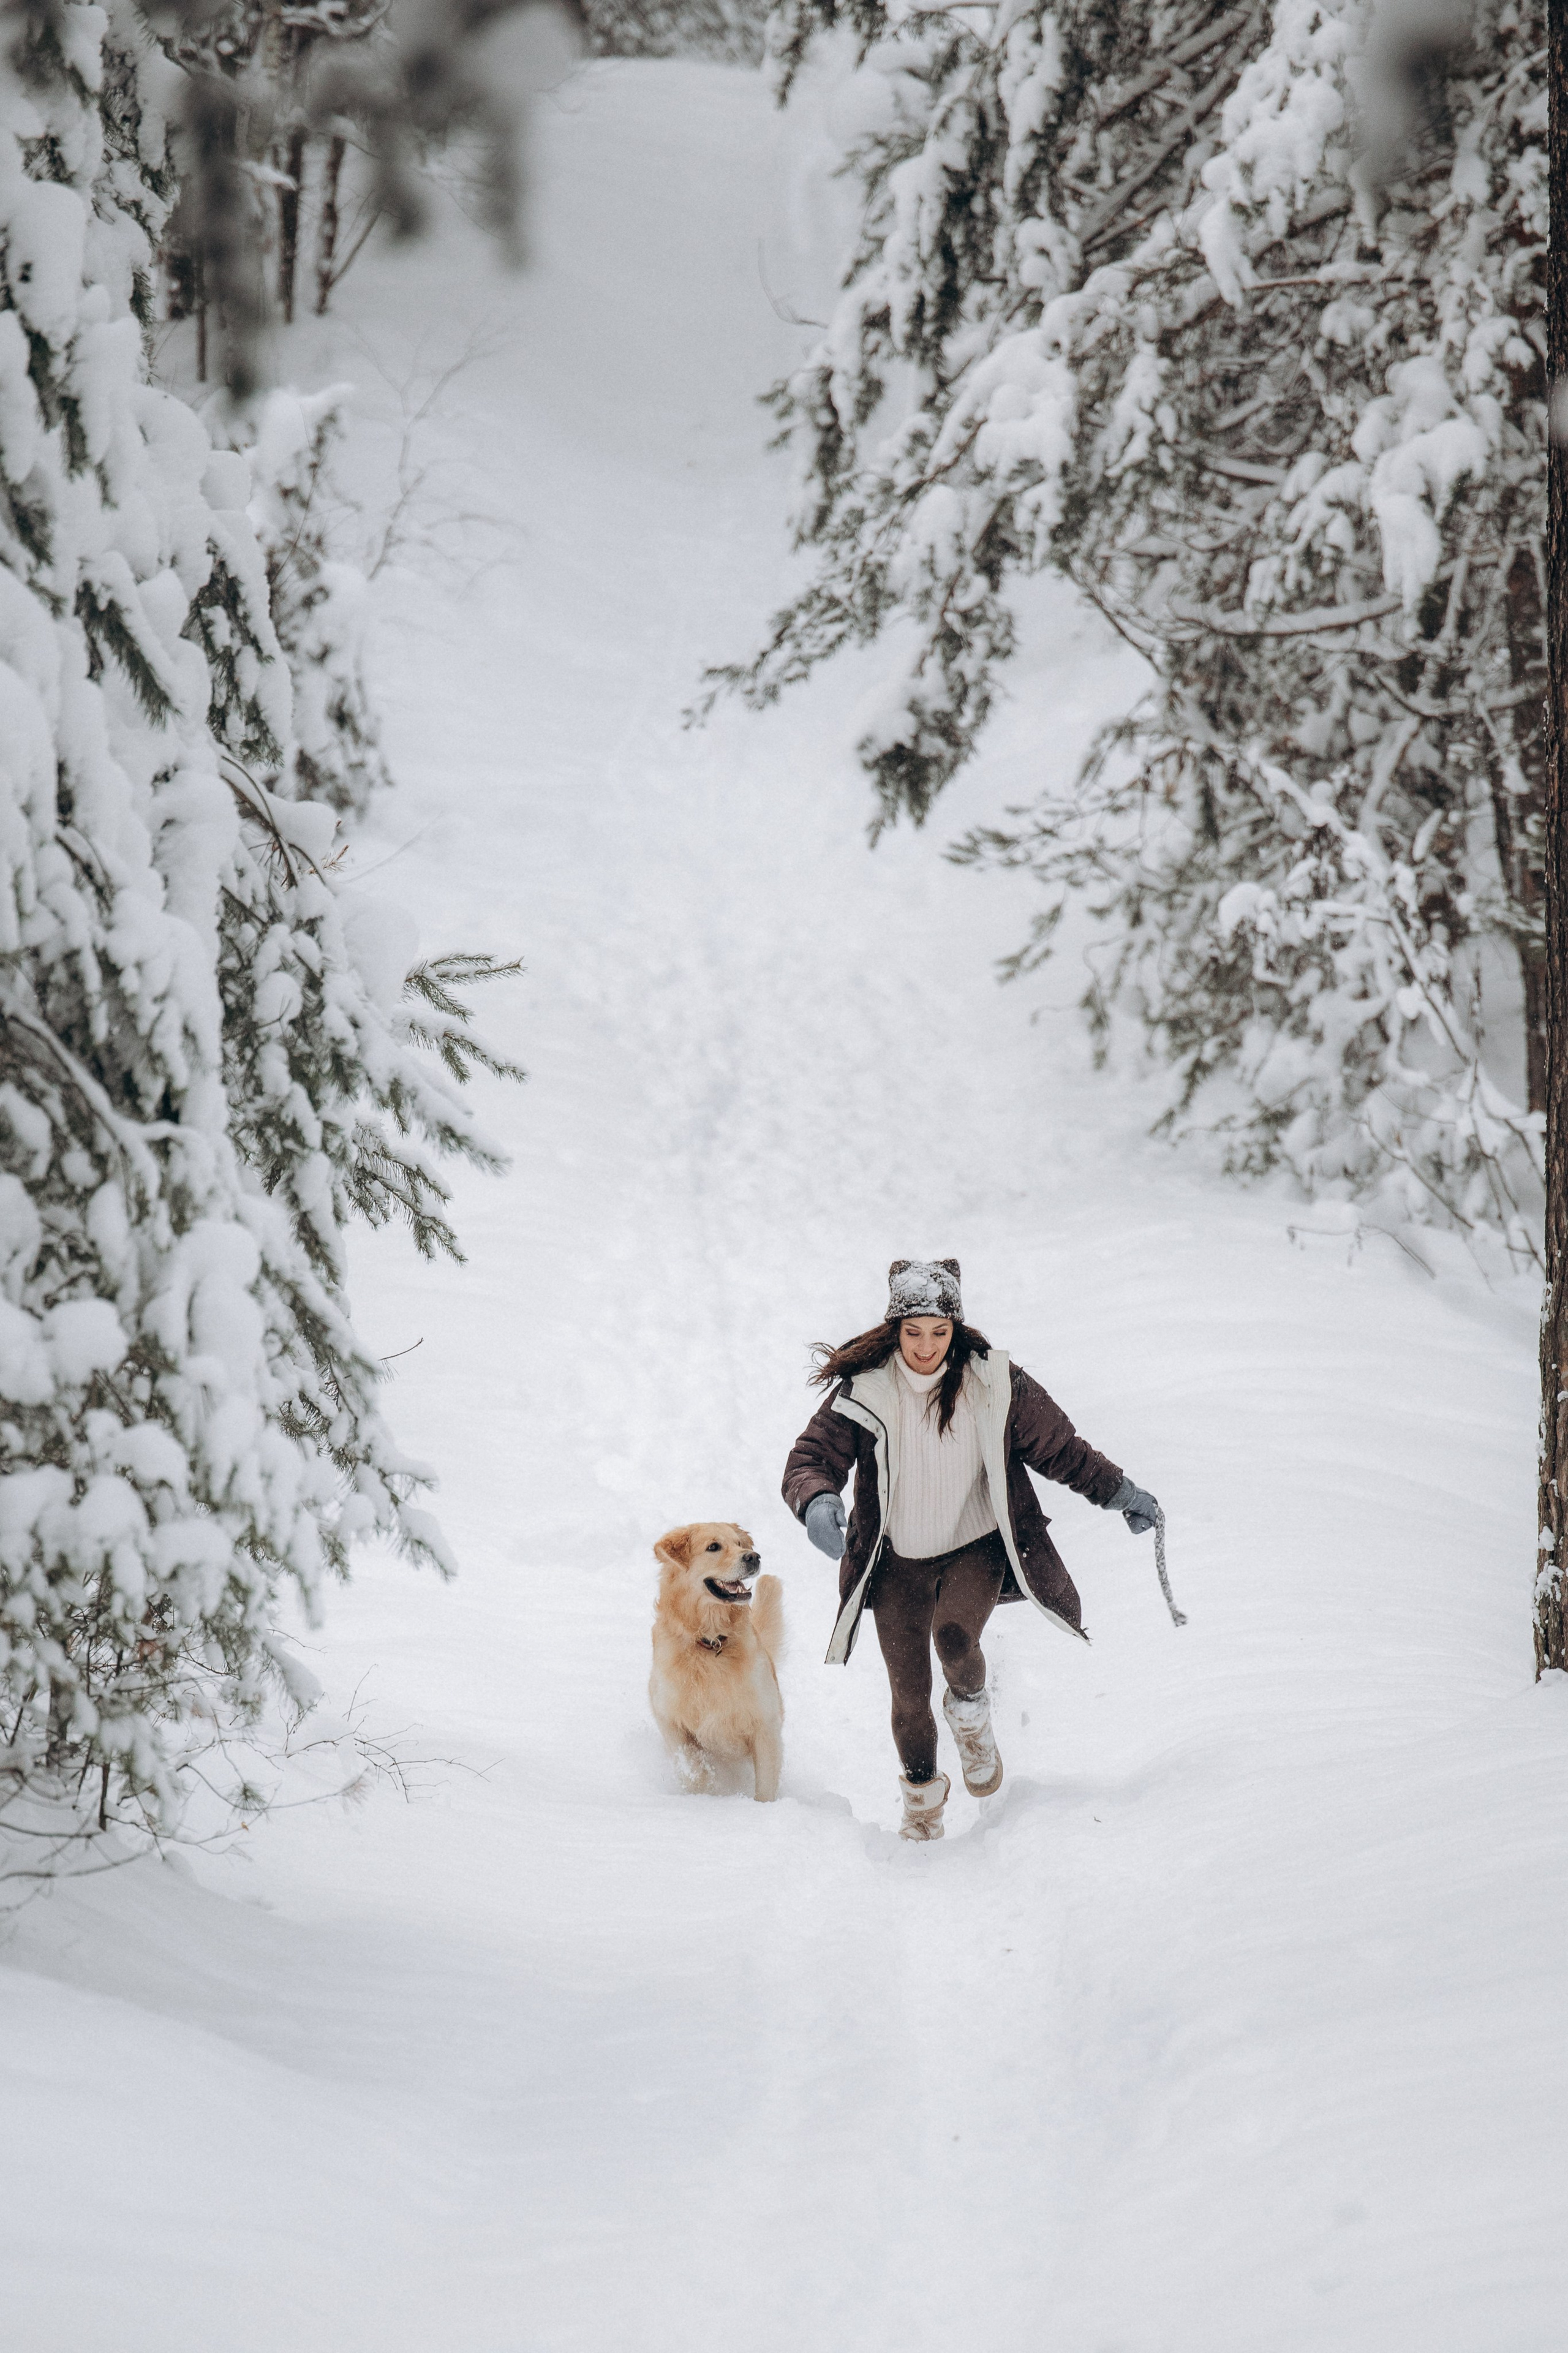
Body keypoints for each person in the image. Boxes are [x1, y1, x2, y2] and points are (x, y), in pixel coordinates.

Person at [781, 1258, 1159, 1841]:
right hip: (897, 1560)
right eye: (913, 1333)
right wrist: (817, 1500)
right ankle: (923, 1801)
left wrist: (1120, 1493)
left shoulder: (996, 1382)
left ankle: (971, 1709)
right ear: (894, 1330)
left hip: (974, 1545)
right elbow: (812, 1458)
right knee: (908, 1694)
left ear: (956, 1329)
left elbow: (1062, 1449)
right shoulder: (867, 1390)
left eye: (939, 1332)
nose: (926, 1347)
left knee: (955, 1637)